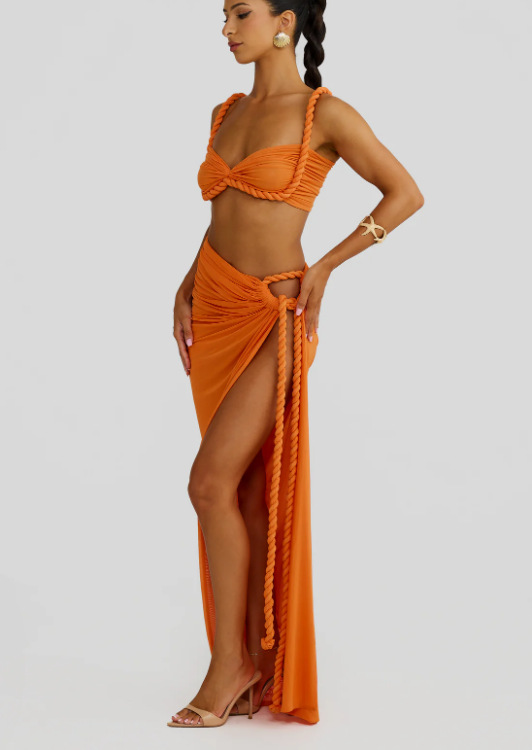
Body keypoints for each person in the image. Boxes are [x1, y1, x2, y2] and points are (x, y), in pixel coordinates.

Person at [169, 0, 424, 729]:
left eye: (240, 13)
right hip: (214, 309)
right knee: (241, 491)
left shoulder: (325, 114)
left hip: (275, 313)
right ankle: (254, 666)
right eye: (223, 16)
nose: (226, 29)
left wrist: (329, 266)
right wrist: (187, 280)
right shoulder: (224, 112)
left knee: (208, 482)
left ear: (285, 22)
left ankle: (229, 665)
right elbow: (224, 214)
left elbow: (405, 194)